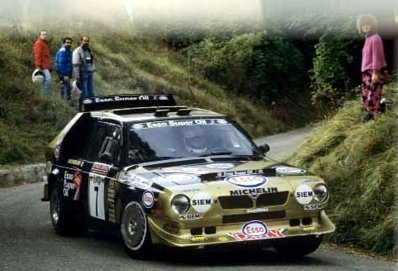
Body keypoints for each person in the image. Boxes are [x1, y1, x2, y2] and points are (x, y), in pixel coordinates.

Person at [357, 14, 387, 121]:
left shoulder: (375, 38)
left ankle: (376, 117)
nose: (365, 26)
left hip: (374, 72)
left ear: (372, 25)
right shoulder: (368, 38)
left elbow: (376, 57)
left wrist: (375, 72)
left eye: (368, 24)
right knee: (365, 94)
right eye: (363, 24)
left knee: (373, 95)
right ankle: (369, 114)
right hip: (366, 72)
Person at [72, 35, 96, 102]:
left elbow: (91, 61)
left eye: (87, 41)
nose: (86, 42)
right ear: (81, 41)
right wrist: (77, 77)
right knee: (84, 92)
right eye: (84, 41)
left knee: (91, 91)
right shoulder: (77, 51)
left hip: (90, 73)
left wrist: (93, 69)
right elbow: (75, 65)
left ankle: (93, 104)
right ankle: (83, 106)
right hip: (82, 74)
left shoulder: (88, 50)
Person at [33, 30, 52, 95]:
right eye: (43, 34)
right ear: (40, 35)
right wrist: (38, 66)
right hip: (42, 66)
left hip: (46, 65)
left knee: (44, 80)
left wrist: (50, 66)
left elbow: (47, 56)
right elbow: (37, 55)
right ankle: (43, 95)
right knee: (48, 79)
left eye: (45, 34)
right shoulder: (38, 43)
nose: (45, 36)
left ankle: (43, 95)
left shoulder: (45, 44)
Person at [55, 37, 73, 105]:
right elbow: (61, 63)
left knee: (63, 86)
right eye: (67, 42)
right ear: (64, 43)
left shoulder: (67, 51)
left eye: (70, 43)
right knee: (67, 87)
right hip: (64, 73)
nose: (69, 44)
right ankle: (67, 102)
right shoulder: (63, 51)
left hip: (65, 73)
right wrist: (64, 74)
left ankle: (62, 101)